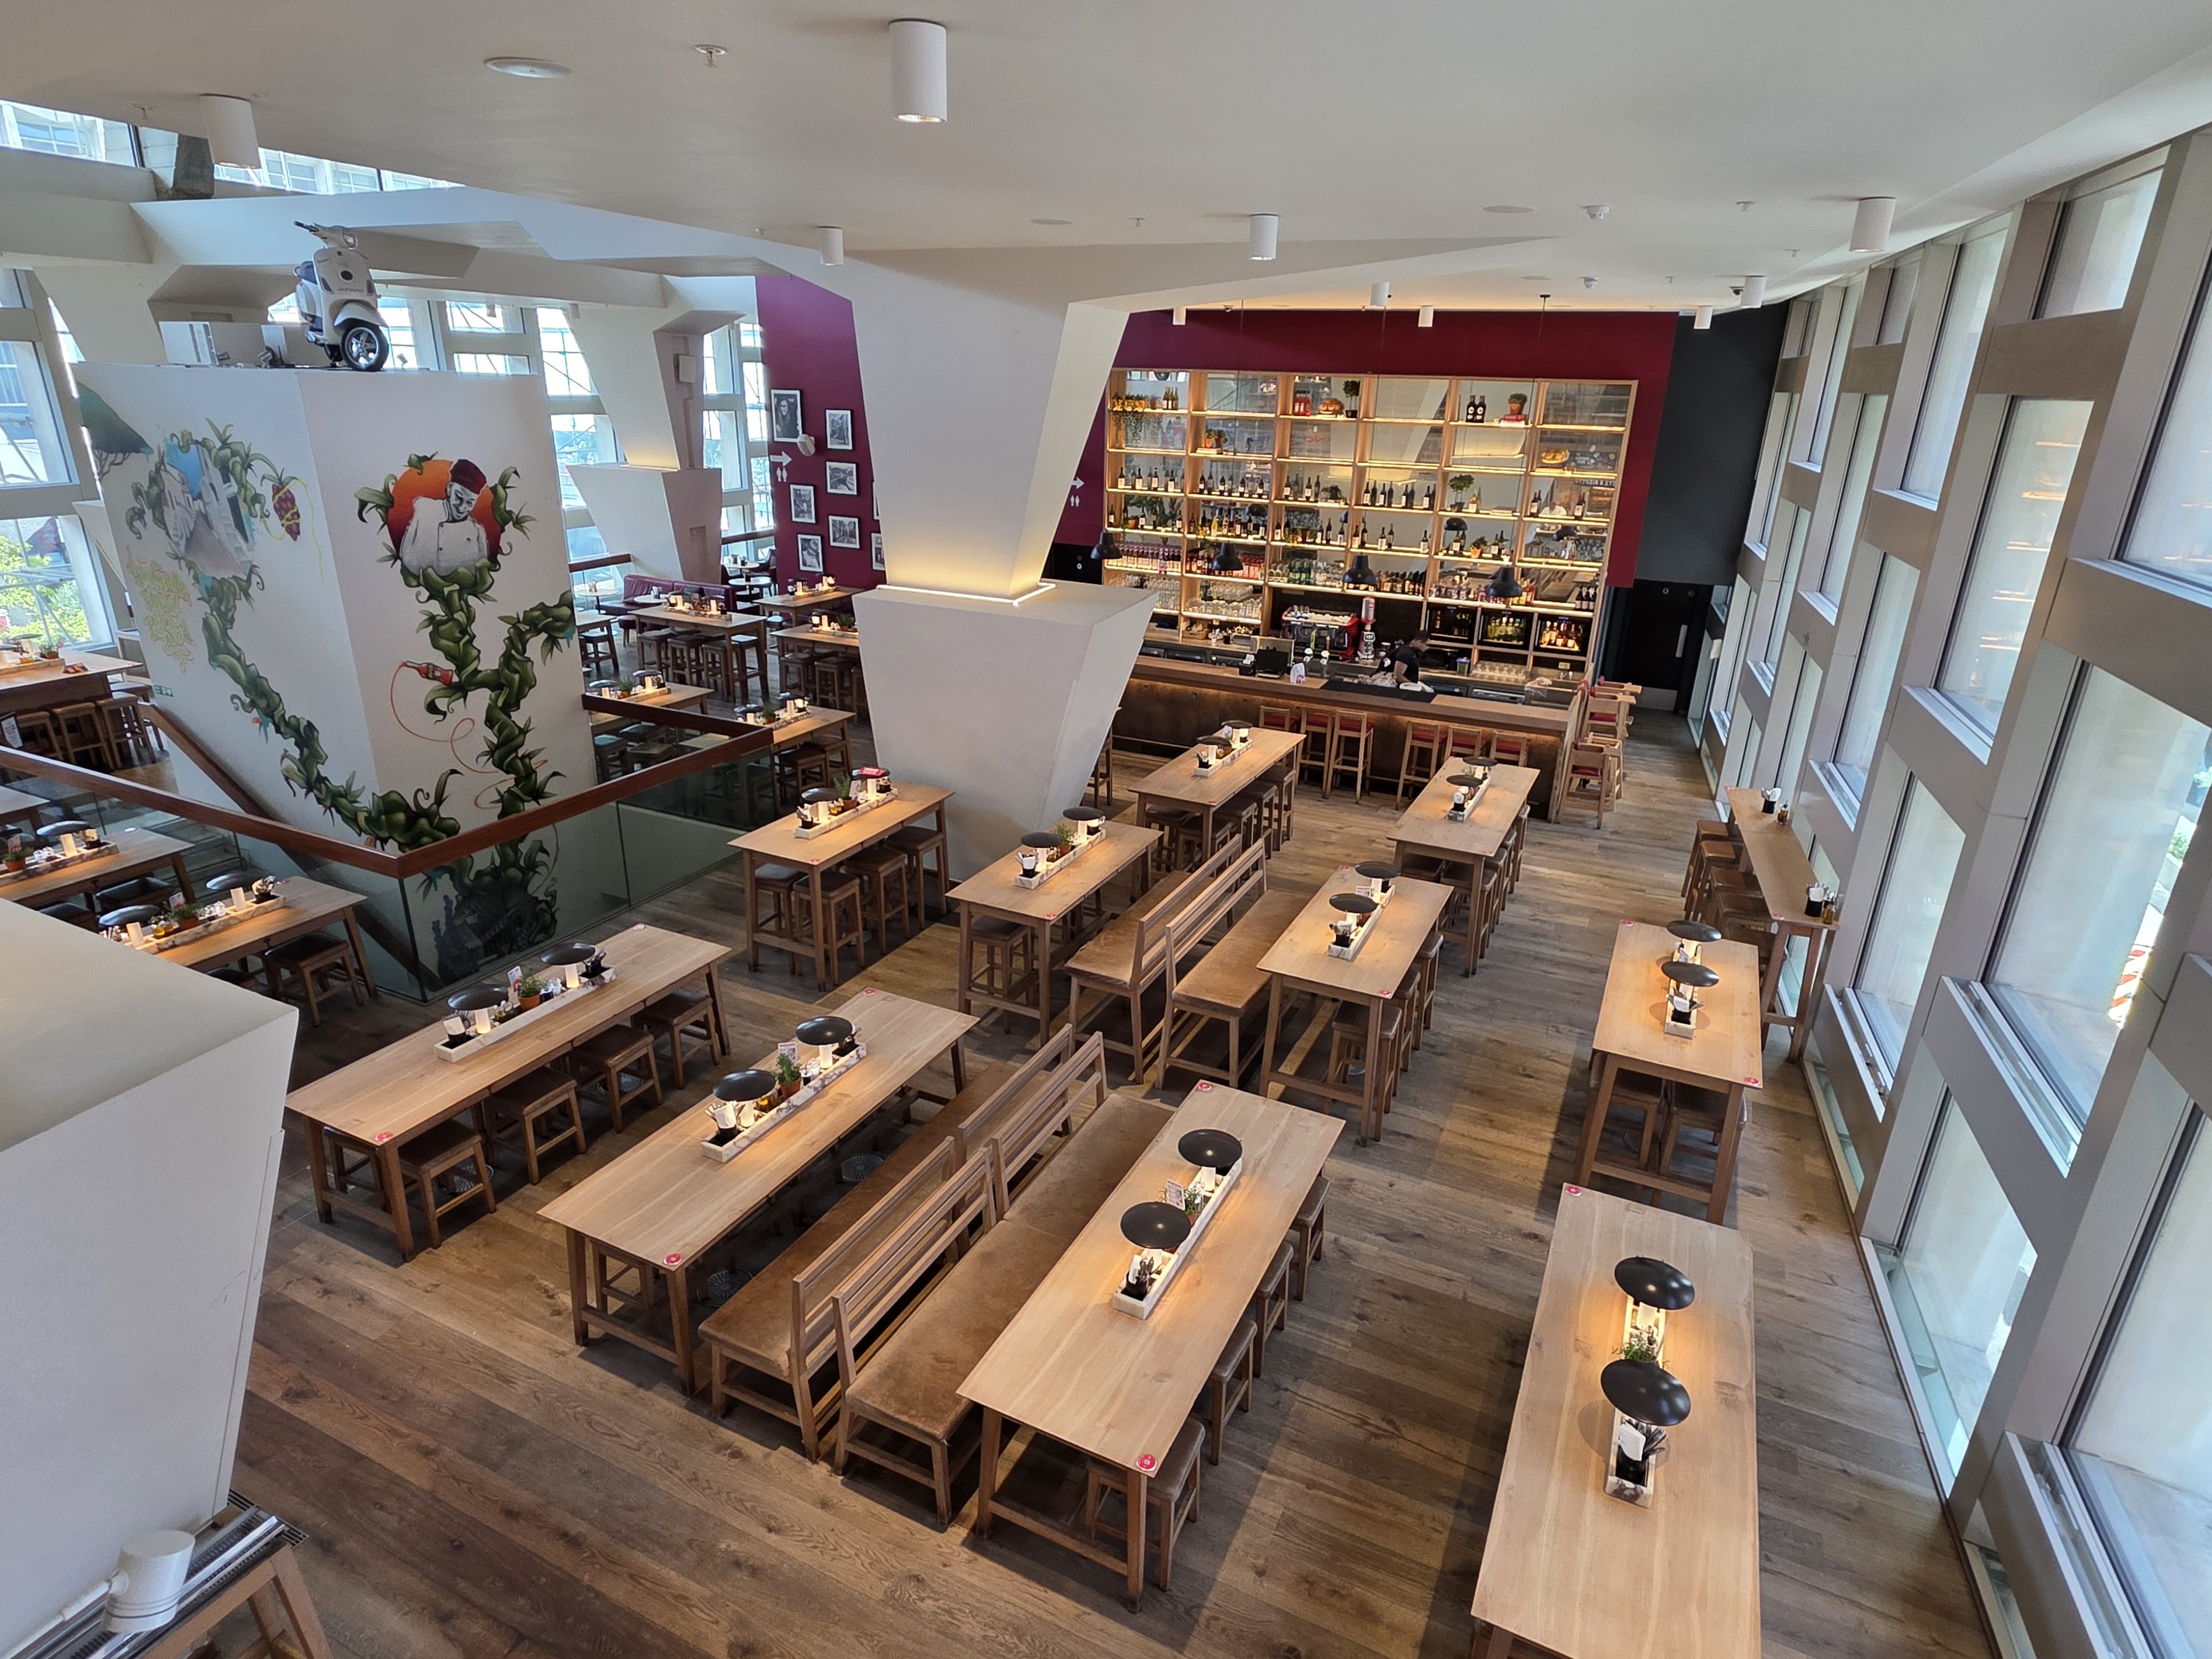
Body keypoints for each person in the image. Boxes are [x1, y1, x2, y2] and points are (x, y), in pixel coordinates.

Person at [398, 459, 489, 576]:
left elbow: (482, 572)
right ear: (450, 489)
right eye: (459, 498)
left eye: (470, 503)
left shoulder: (478, 531)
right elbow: (406, 555)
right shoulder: (425, 510)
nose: (462, 508)